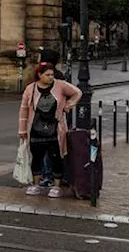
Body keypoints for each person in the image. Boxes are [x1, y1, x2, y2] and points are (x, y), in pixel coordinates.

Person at [17, 62, 81, 198]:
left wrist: (68, 105)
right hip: (35, 129)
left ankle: (56, 186)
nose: (51, 77)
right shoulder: (30, 88)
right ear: (39, 75)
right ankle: (36, 184)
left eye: (52, 74)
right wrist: (22, 130)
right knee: (37, 157)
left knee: (56, 157)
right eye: (47, 75)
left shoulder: (60, 85)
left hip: (55, 129)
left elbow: (77, 93)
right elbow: (24, 110)